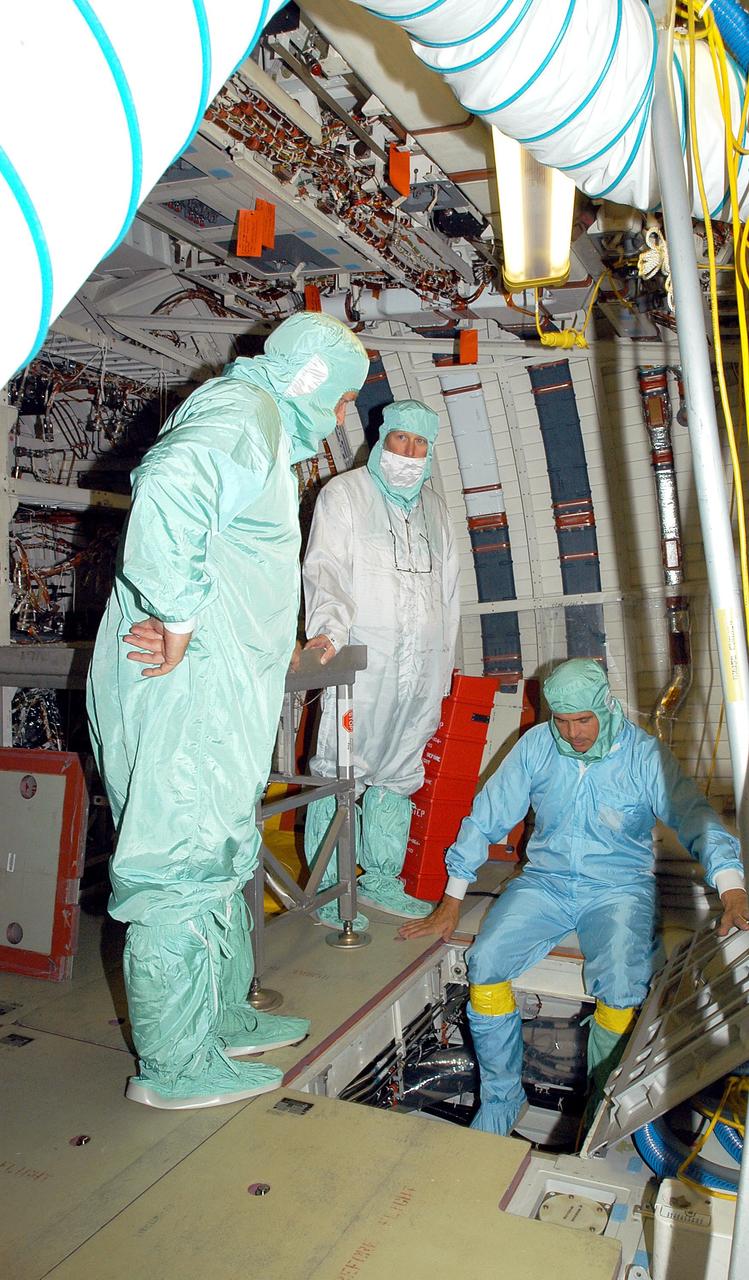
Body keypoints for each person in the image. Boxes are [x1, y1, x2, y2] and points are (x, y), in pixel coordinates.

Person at [87, 312, 369, 1110]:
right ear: (314, 383)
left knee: (221, 850)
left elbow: (232, 545)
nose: (346, 415)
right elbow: (174, 486)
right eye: (345, 397)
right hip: (189, 690)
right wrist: (176, 618)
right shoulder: (243, 414)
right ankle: (173, 1069)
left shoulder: (261, 424)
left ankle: (220, 1015)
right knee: (180, 867)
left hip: (218, 686)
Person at [400, 658, 748, 1134]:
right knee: (485, 963)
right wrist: (453, 898)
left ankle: (600, 1110)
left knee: (623, 987)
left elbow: (693, 816)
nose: (573, 733)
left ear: (607, 707)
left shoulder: (644, 756)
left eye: (583, 720)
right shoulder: (538, 746)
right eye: (561, 721)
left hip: (618, 888)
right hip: (547, 882)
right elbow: (488, 814)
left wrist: (731, 887)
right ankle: (503, 1099)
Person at [302, 399, 460, 926]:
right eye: (401, 440)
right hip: (362, 670)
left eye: (420, 444)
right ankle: (324, 886)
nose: (410, 452)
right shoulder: (344, 496)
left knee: (398, 771)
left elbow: (451, 591)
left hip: (420, 671)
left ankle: (381, 880)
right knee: (339, 769)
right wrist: (326, 638)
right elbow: (327, 573)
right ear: (382, 438)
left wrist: (445, 664)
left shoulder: (436, 509)